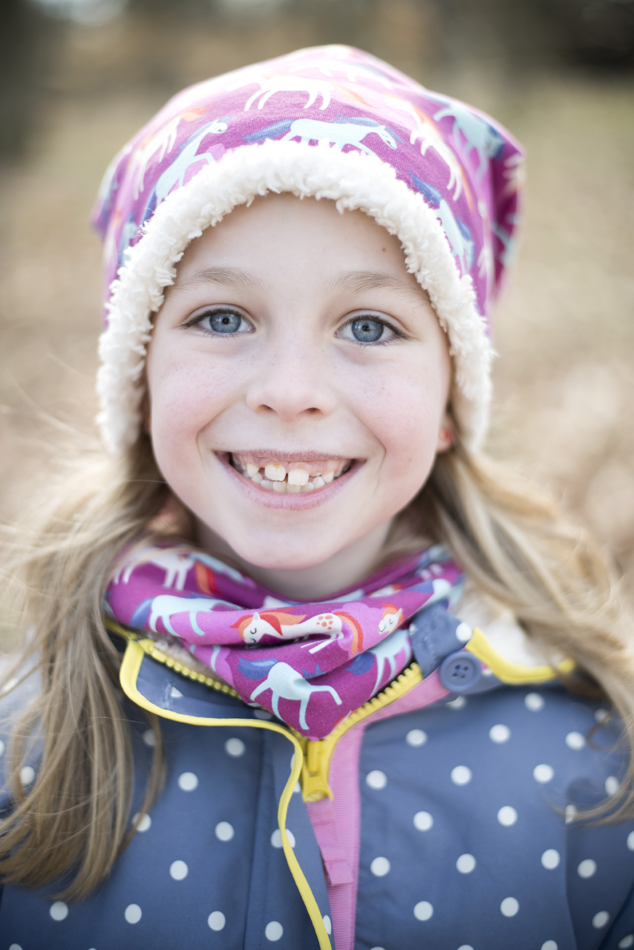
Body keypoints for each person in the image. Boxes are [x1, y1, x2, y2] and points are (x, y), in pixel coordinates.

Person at [0, 44, 632, 950]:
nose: (290, 391)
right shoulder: (31, 745)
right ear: (139, 378)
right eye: (223, 317)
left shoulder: (595, 770)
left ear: (450, 402)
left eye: (368, 326)